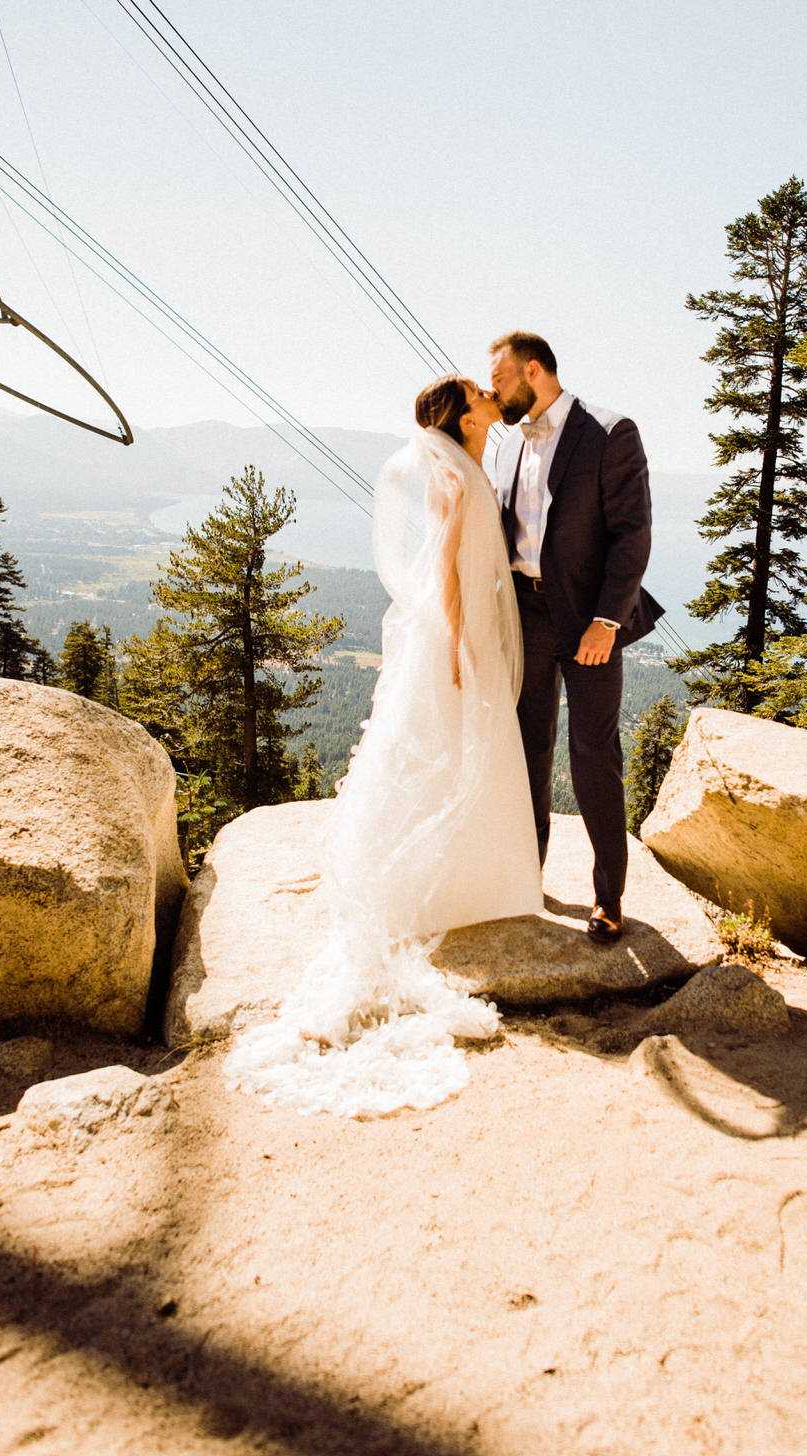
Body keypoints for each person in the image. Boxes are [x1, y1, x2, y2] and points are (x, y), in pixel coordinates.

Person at [224, 375, 542, 1117]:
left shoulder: (466, 461)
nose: (489, 395)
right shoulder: (447, 473)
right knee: (446, 751)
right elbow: (444, 572)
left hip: (463, 639)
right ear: (464, 415)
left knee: (462, 755)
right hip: (453, 640)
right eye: (478, 393)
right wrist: (462, 646)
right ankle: (452, 885)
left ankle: (481, 882)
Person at [490, 331, 663, 941]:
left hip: (591, 621)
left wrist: (607, 621)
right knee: (529, 751)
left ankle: (608, 896)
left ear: (533, 371)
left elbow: (632, 533)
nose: (494, 391)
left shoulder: (610, 432)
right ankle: (525, 876)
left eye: (502, 379)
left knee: (594, 755)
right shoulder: (508, 442)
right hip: (526, 617)